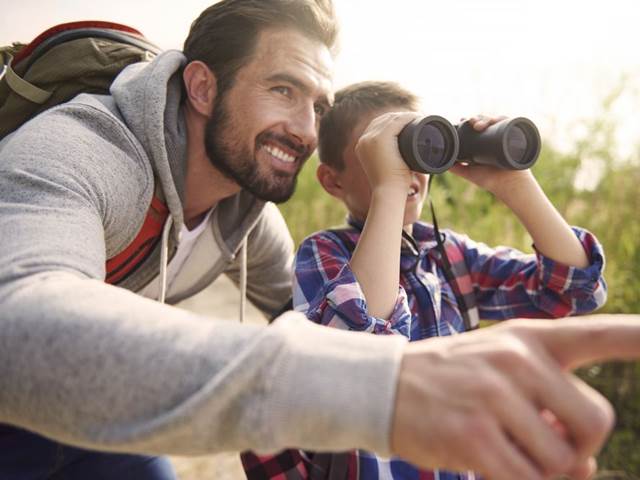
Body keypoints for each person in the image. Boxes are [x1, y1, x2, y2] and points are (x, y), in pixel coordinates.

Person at [0, 2, 638, 480]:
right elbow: (15, 325)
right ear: (202, 87)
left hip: (85, 420)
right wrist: (385, 387)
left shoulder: (247, 220)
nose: (306, 129)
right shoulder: (84, 150)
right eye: (282, 89)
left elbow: (319, 327)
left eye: (318, 104)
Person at [241, 81, 607, 479]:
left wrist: (514, 183)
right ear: (333, 181)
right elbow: (358, 342)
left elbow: (572, 289)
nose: (407, 170)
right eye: (382, 156)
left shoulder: (449, 255)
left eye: (417, 147)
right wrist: (389, 190)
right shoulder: (324, 252)